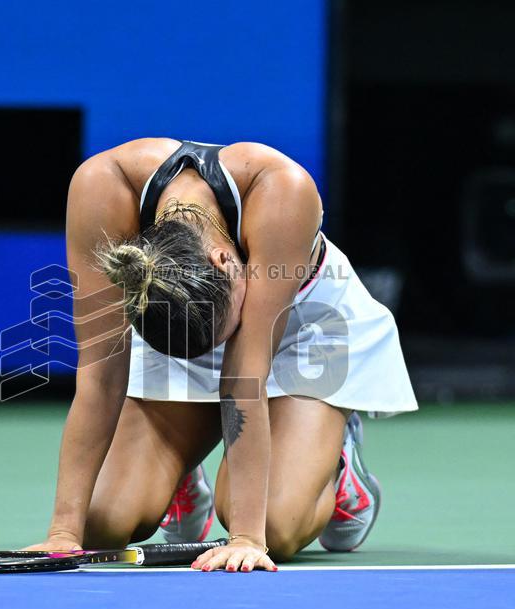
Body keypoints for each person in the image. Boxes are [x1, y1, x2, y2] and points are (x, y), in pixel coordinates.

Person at [25, 138, 417, 572]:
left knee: (276, 526)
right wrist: (63, 532)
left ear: (225, 261)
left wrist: (248, 538)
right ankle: (181, 474)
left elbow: (242, 377)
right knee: (102, 522)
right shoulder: (103, 186)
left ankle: (336, 465)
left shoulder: (281, 189)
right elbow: (100, 377)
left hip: (303, 335)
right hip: (182, 325)